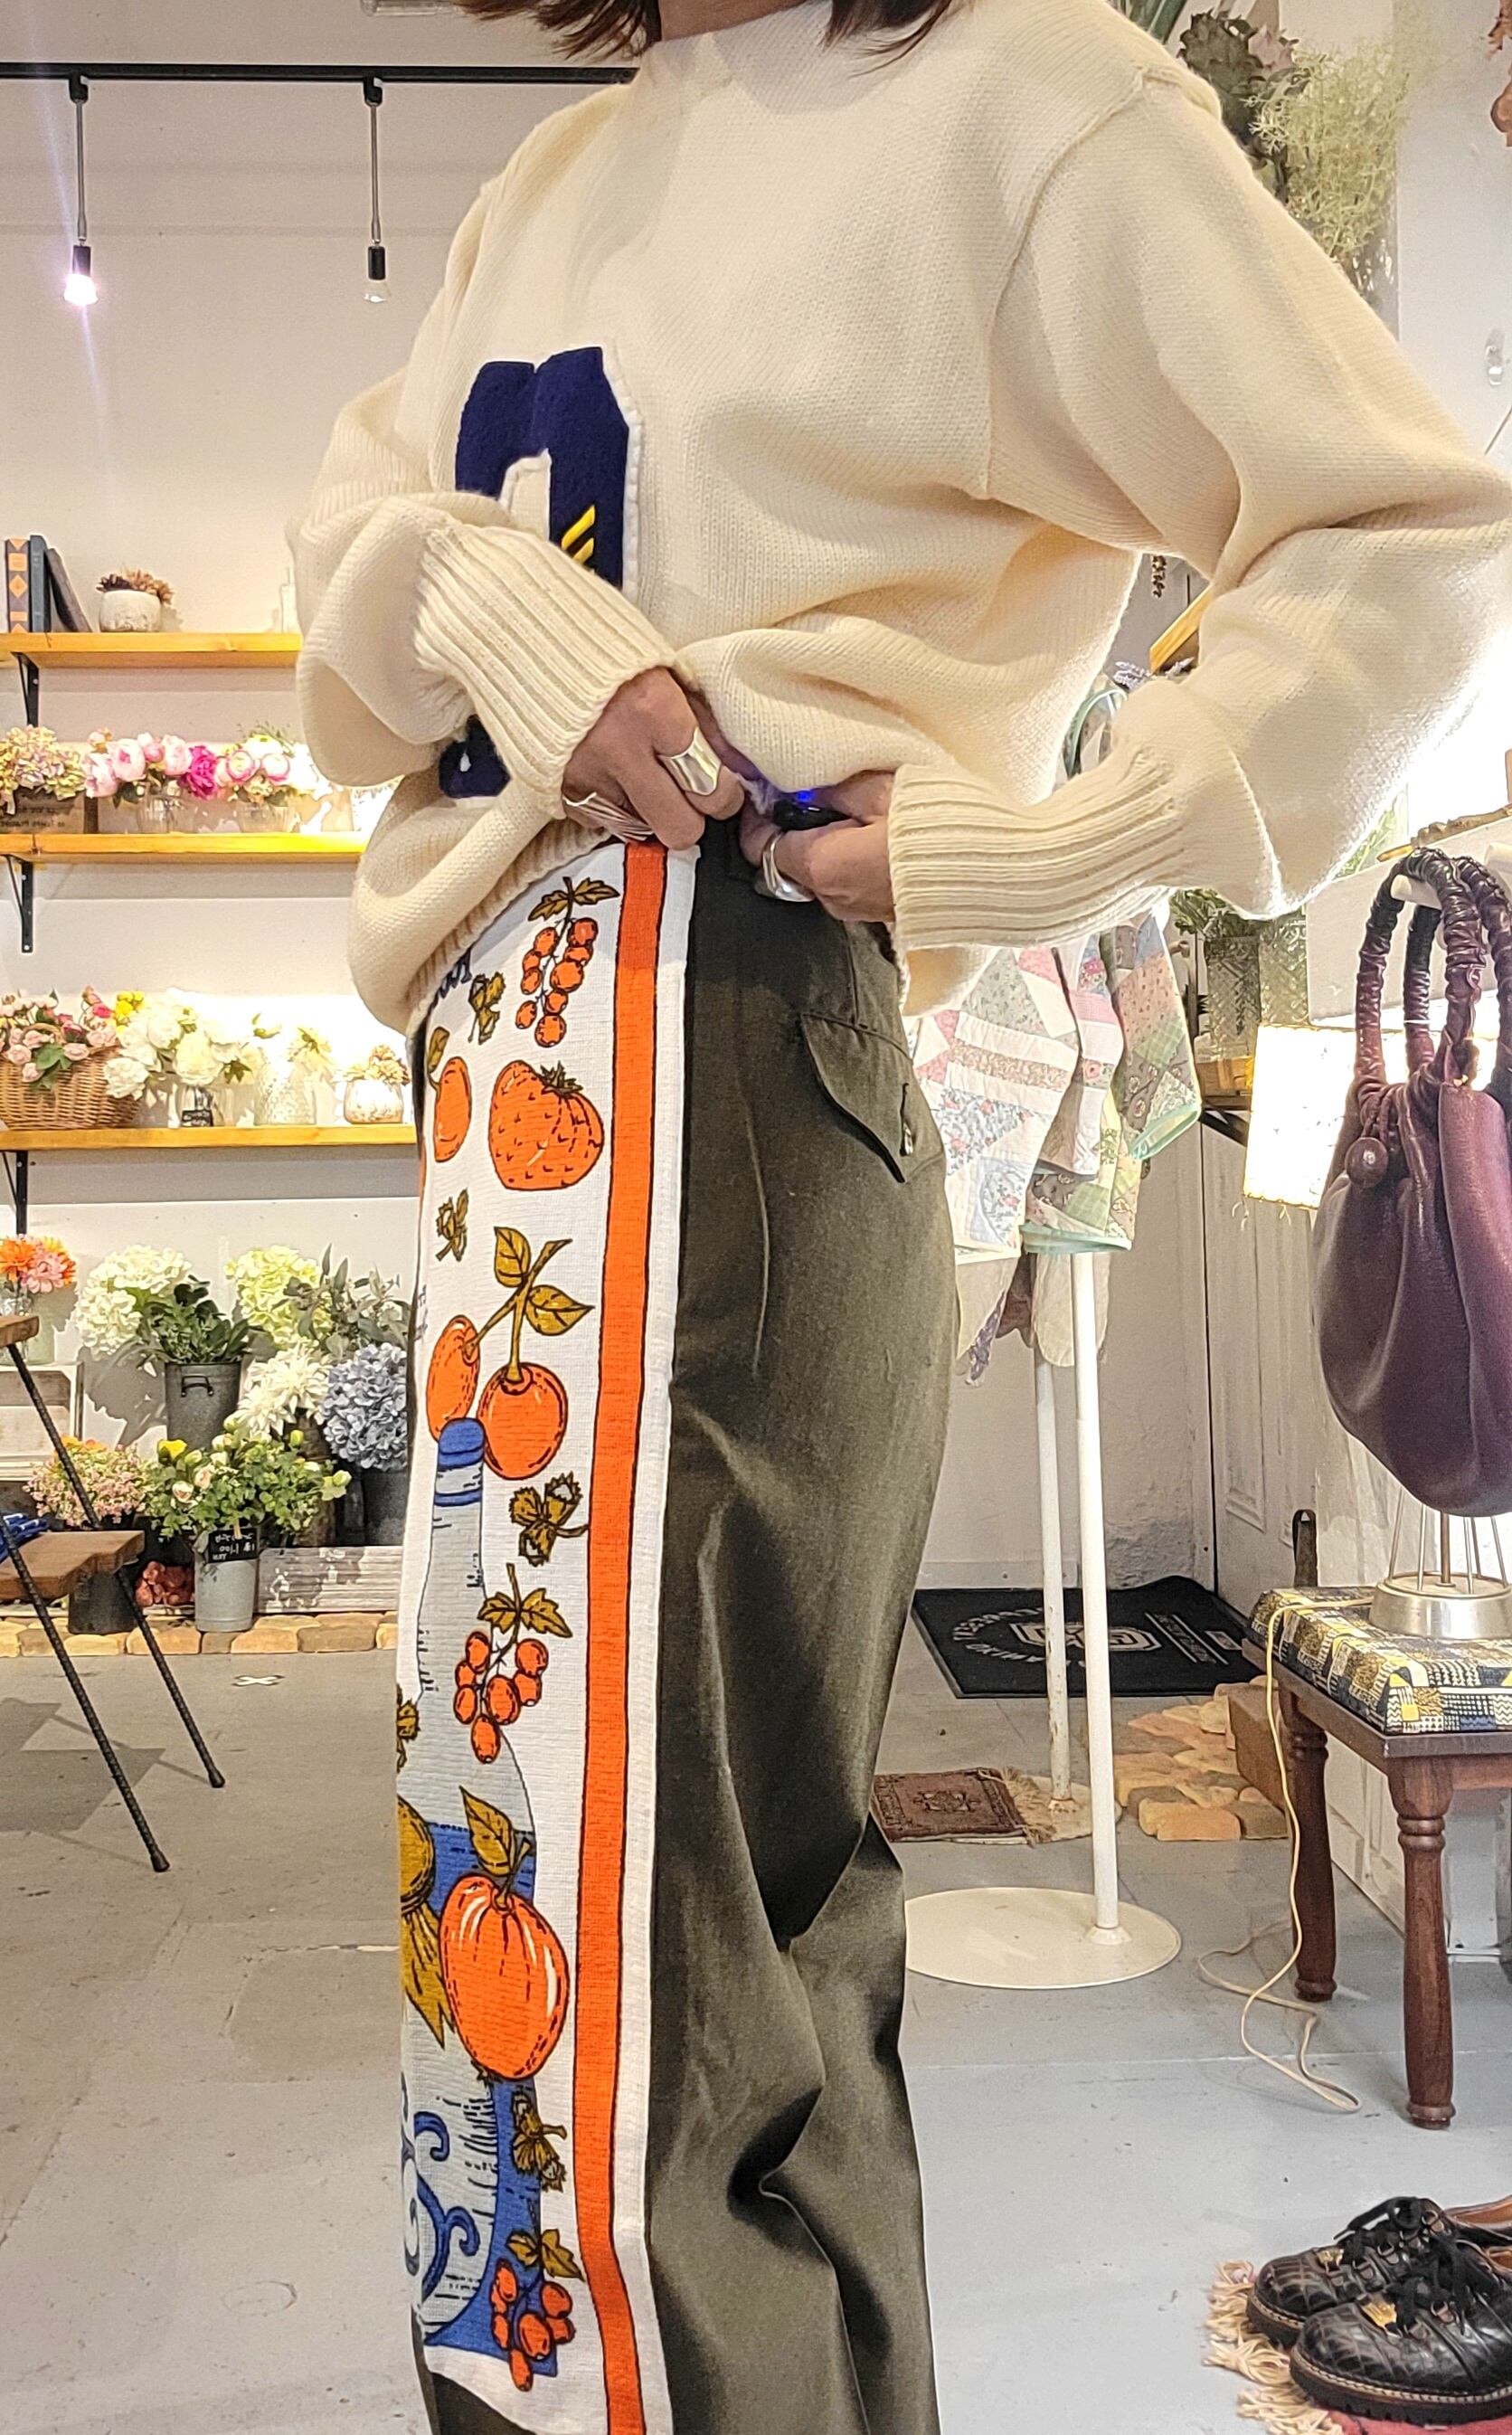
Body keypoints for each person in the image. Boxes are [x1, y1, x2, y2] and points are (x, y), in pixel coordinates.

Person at [291, 0, 1512, 2422]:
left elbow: (1405, 528)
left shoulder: (1017, 104)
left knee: (655, 1965)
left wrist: (1056, 837)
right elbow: (348, 542)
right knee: (558, 1909)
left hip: (722, 1024)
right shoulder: (555, 180)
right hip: (519, 1066)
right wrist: (486, 596)